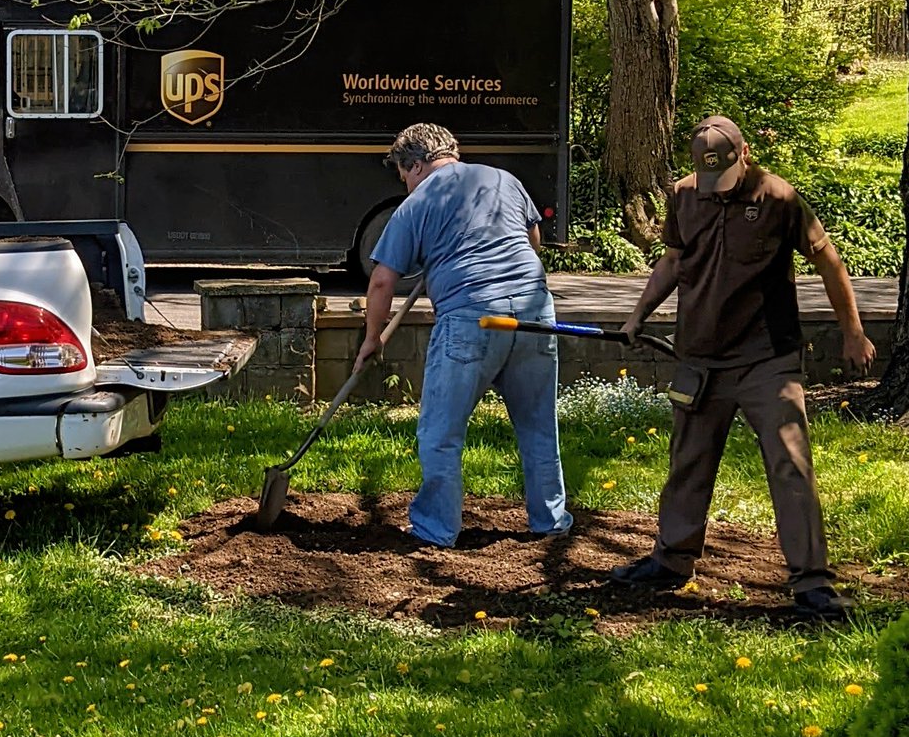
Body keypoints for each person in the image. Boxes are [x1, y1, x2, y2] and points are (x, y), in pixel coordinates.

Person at [610, 114, 876, 618]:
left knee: (790, 464)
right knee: (687, 462)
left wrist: (853, 332)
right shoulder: (685, 195)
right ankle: (671, 562)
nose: (716, 186)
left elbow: (829, 262)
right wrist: (637, 315)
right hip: (699, 357)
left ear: (744, 153)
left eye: (723, 175)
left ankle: (812, 583)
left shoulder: (778, 198)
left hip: (766, 360)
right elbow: (671, 261)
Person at [352, 123, 572, 547]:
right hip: (534, 311)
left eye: (404, 175)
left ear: (416, 165)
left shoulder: (418, 204)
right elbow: (533, 241)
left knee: (440, 432)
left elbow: (381, 281)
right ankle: (551, 521)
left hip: (471, 317)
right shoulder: (503, 180)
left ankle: (435, 530)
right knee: (538, 425)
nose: (406, 185)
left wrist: (372, 338)